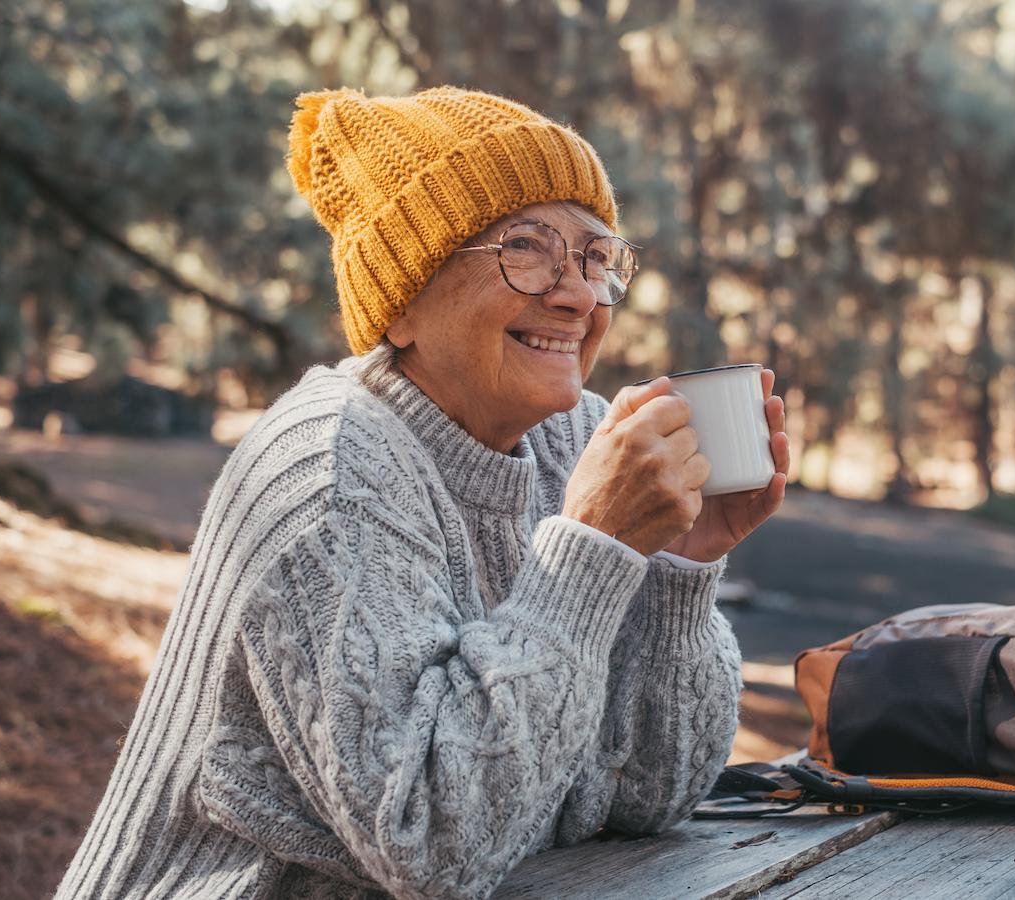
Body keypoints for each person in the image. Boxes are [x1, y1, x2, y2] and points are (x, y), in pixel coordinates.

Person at [56, 86, 789, 899]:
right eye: (527, 249)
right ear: (400, 305)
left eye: (594, 257)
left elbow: (647, 795)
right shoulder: (328, 471)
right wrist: (589, 554)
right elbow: (434, 842)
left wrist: (682, 571)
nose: (577, 294)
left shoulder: (575, 439)